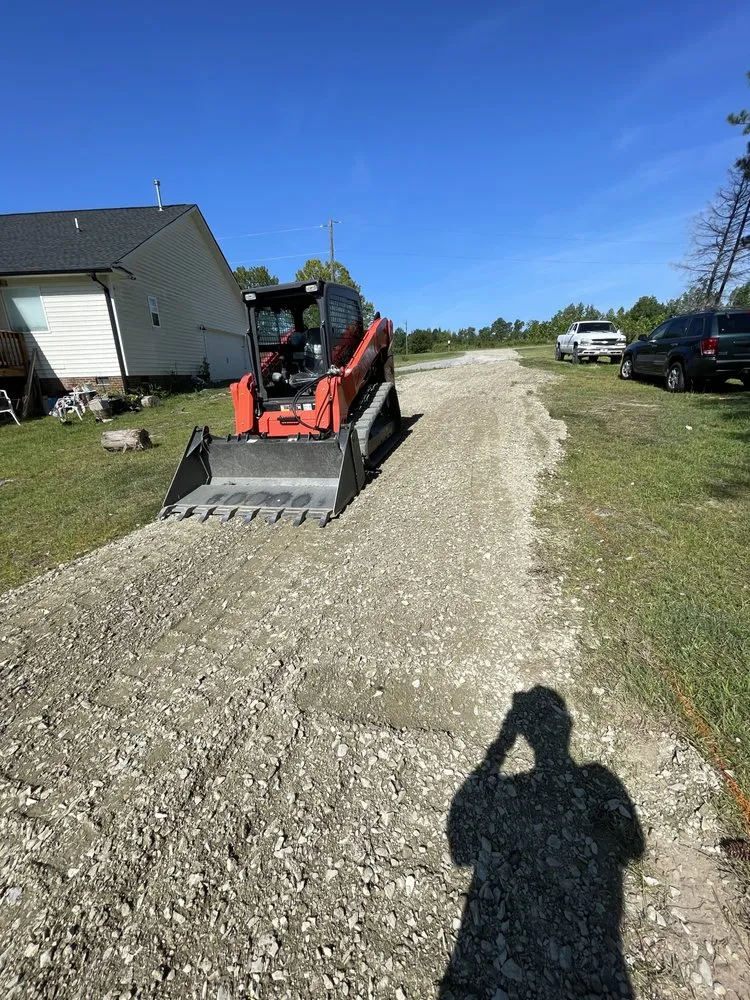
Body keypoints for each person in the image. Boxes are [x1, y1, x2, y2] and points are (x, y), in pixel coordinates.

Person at [441, 686, 644, 999]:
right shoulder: (599, 778)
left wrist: (501, 746)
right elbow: (635, 849)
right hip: (597, 960)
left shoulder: (589, 779)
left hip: (493, 951)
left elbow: (461, 852)